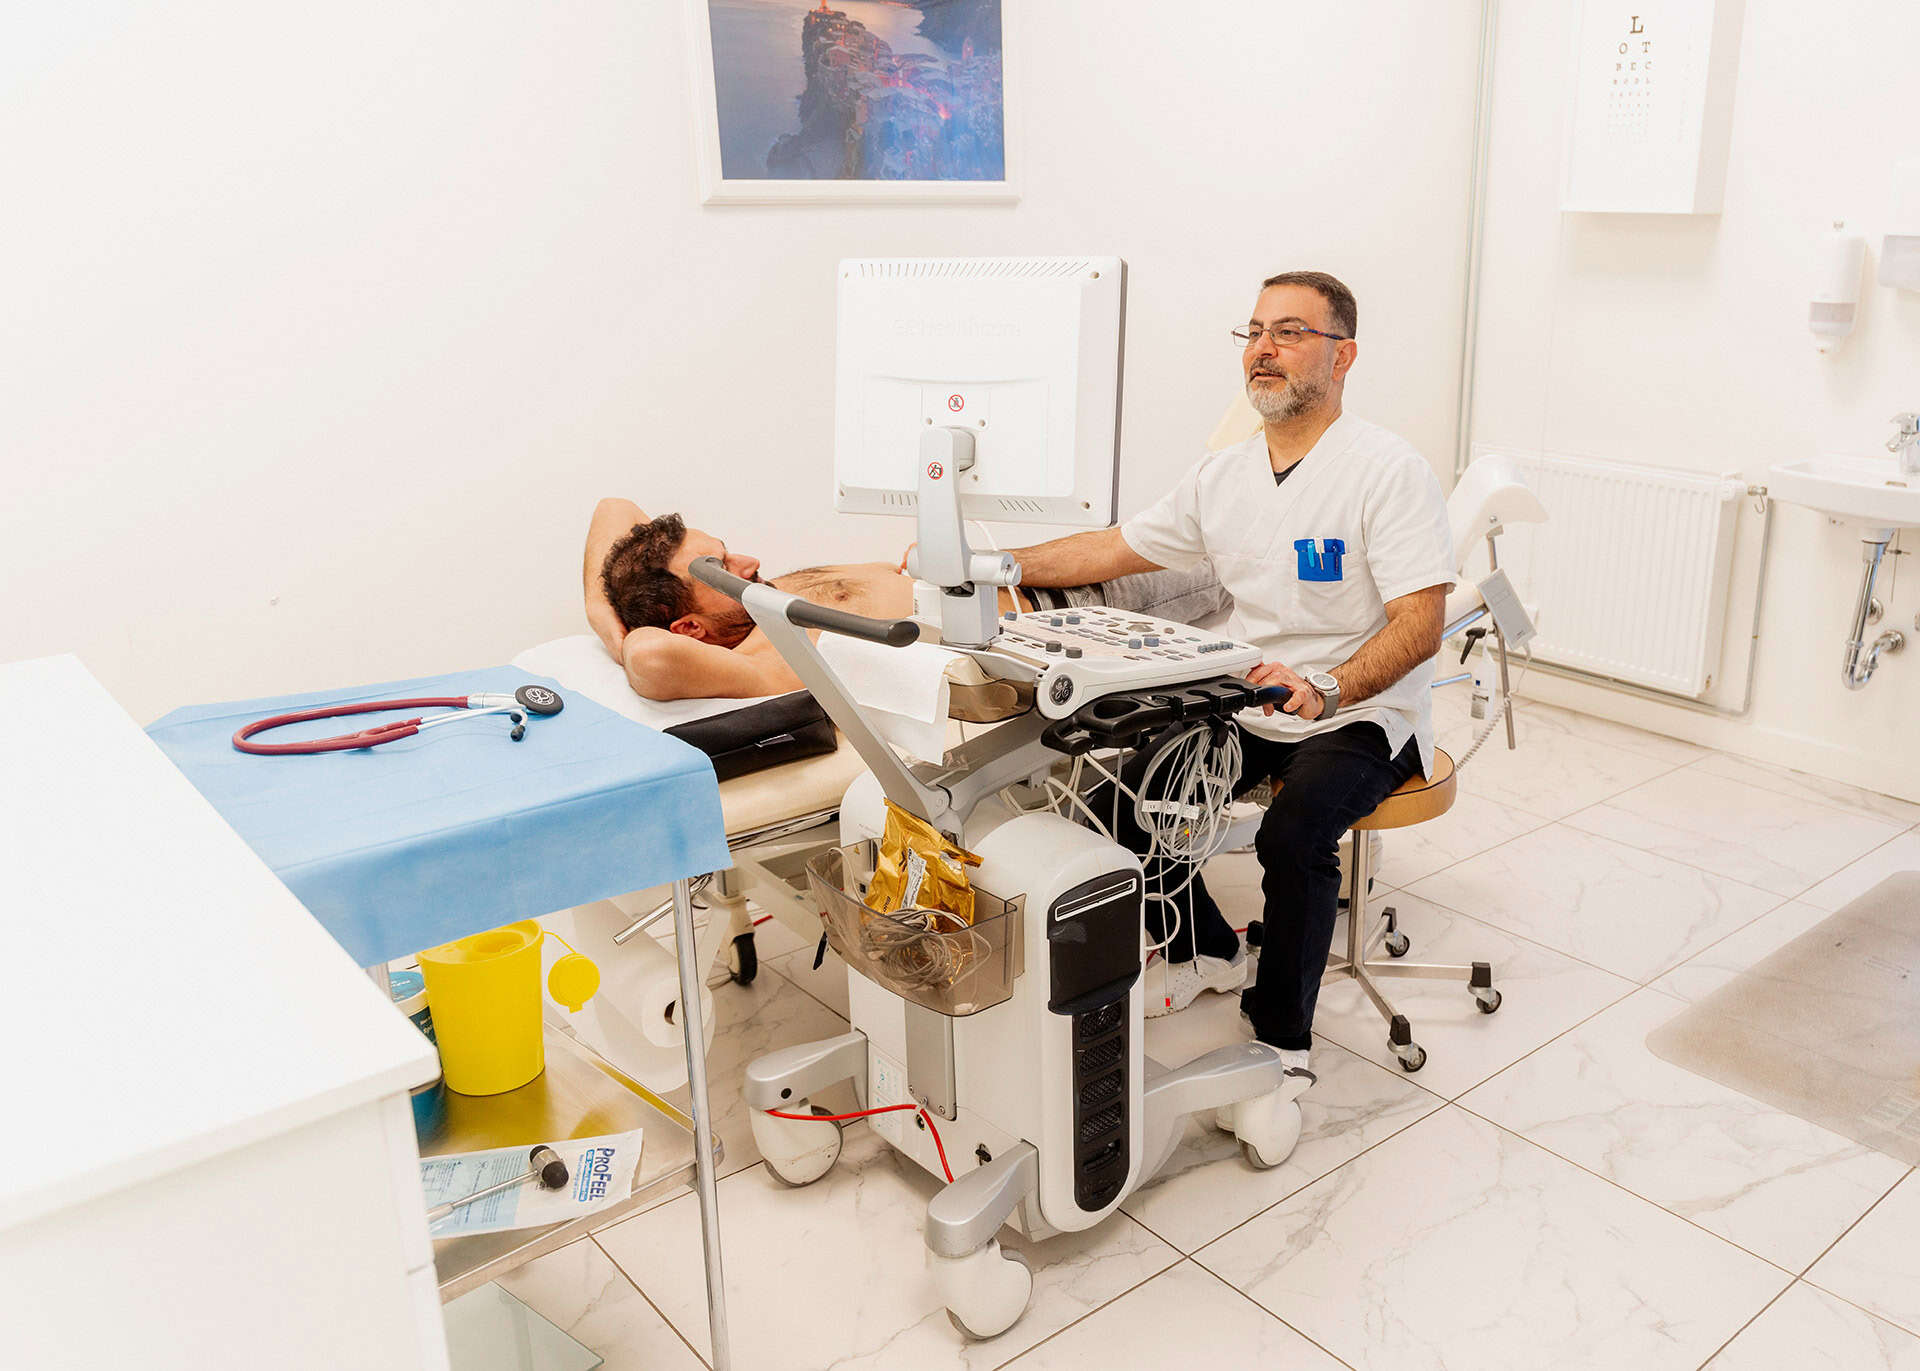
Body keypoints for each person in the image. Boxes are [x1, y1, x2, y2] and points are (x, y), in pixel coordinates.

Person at [1001, 270, 1455, 1075]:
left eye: (1290, 332)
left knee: (1294, 834)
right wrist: (995, 563)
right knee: (1117, 809)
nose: (1264, 349)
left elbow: (1419, 624)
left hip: (1360, 712)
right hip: (1251, 697)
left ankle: (1281, 1044)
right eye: (1254, 331)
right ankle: (1208, 949)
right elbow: (1112, 547)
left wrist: (1329, 687)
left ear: (1343, 356)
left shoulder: (1387, 470)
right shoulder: (1223, 477)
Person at [581, 501, 1231, 701]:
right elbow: (648, 655)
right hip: (1076, 616)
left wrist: (601, 608)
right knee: (1242, 555)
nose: (748, 564)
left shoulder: (759, 598)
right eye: (721, 569)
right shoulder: (768, 654)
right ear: (690, 627)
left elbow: (614, 508)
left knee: (1225, 522)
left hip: (1028, 570)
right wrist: (622, 637)